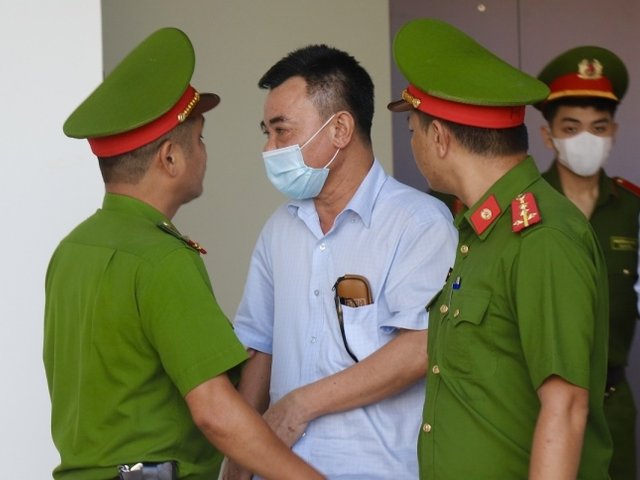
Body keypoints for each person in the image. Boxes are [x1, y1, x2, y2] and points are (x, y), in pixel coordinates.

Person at [43, 27, 323, 480]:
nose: (205, 153)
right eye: (200, 140)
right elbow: (215, 411)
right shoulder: (162, 258)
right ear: (170, 158)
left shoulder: (73, 249)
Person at [388, 18, 612, 479]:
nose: (413, 143)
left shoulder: (541, 238)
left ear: (440, 138)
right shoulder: (479, 231)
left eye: (413, 130)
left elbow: (566, 405)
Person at [224, 44, 457, 479]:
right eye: (266, 132)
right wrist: (238, 459)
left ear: (340, 129)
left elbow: (420, 349)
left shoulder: (418, 222)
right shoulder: (280, 228)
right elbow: (260, 345)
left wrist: (300, 404)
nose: (269, 148)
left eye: (281, 131)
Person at [535, 45, 638, 479]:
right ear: (549, 136)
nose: (586, 140)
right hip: (538, 408)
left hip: (611, 407)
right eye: (571, 128)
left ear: (613, 131)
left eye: (598, 128)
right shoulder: (527, 208)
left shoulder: (632, 209)